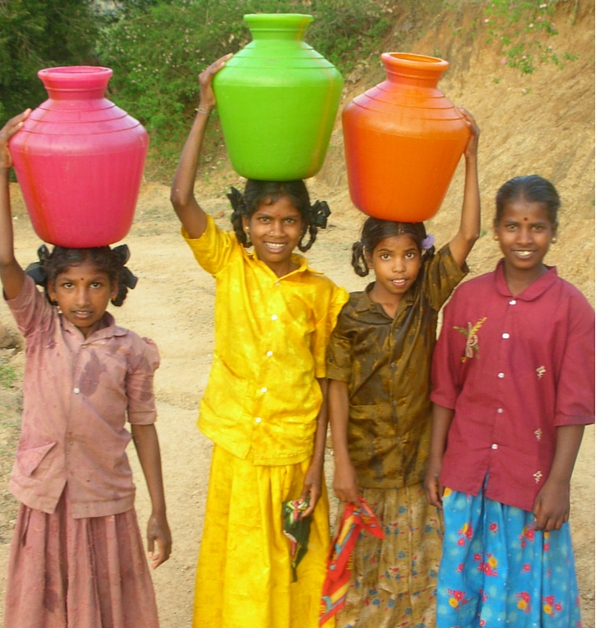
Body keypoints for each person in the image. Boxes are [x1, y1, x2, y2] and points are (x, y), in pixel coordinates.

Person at [170, 55, 347, 627]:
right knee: (242, 561)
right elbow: (180, 200)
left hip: (295, 452)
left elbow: (325, 382)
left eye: (289, 222)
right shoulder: (229, 266)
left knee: (292, 564)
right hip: (239, 447)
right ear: (244, 222)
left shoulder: (324, 295)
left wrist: (317, 468)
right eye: (265, 220)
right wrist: (205, 108)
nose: (276, 232)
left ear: (306, 227)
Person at [0, 110, 170, 627]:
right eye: (69, 285)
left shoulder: (132, 350)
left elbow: (144, 429)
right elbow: (5, 262)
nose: (82, 297)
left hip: (104, 500)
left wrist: (159, 510)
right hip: (46, 496)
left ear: (115, 288)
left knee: (105, 607)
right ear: (49, 291)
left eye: (96, 284)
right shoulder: (39, 329)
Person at [325, 107, 481, 626]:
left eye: (410, 255)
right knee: (365, 580)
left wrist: (470, 158)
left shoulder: (426, 299)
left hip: (417, 466)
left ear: (422, 258)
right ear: (367, 256)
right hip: (365, 469)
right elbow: (338, 389)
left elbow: (469, 235)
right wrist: (340, 463)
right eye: (388, 255)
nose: (400, 267)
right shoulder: (349, 314)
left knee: (417, 578)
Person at [425, 175, 594, 627]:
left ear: (554, 230)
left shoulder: (572, 310)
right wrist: (435, 459)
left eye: (536, 227)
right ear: (496, 230)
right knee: (466, 589)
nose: (524, 238)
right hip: (467, 474)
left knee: (523, 597)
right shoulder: (467, 299)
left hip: (529, 483)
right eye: (512, 226)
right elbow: (446, 387)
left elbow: (573, 408)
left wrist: (558, 484)